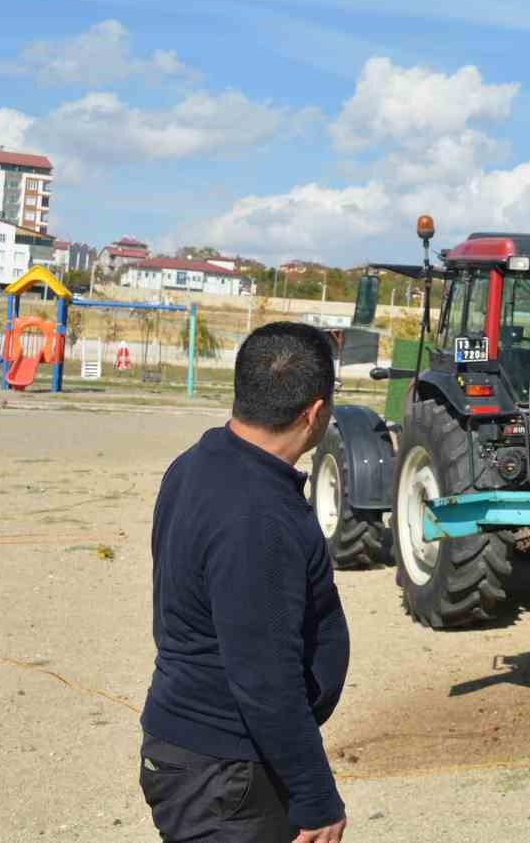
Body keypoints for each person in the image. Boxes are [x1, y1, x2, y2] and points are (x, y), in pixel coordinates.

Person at [138, 322, 350, 842]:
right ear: (315, 412)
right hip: (225, 775)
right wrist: (316, 797)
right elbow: (264, 678)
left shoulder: (197, 465)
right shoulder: (258, 517)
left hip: (202, 759)